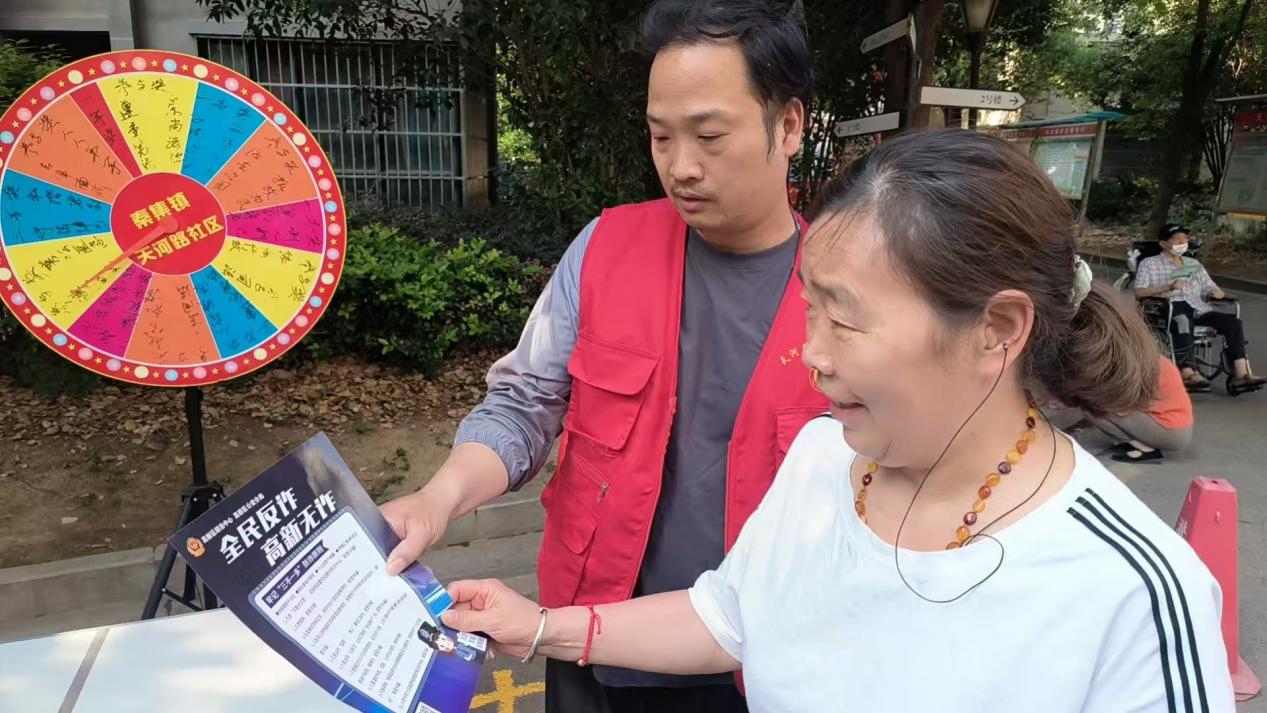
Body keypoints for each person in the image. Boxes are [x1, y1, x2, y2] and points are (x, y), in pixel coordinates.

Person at [433, 130, 1235, 712]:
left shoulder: (1131, 591)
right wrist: (537, 625)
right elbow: (728, 615)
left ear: (996, 329)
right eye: (807, 308)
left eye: (843, 320)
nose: (811, 354)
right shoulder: (823, 456)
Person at [380, 1, 826, 710]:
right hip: (585, 640)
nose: (681, 167)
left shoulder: (844, 286)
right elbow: (524, 404)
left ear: (790, 124)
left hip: (767, 662)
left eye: (710, 135)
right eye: (660, 136)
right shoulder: (605, 248)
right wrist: (439, 498)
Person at [1134, 223, 1265, 392]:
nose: (1182, 242)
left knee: (1233, 323)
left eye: (1184, 239)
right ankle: (1188, 372)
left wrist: (1216, 292)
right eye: (1177, 239)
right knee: (1182, 318)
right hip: (1168, 308)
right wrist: (1168, 287)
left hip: (1198, 309)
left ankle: (1242, 373)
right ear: (1163, 244)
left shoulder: (1193, 264)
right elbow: (1139, 292)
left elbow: (1210, 287)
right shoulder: (1149, 263)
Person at [1050, 354, 1194, 464]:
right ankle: (1139, 443)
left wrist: (1072, 401)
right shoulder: (1152, 359)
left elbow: (1121, 408)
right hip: (1176, 428)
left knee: (1090, 408)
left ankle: (1146, 449)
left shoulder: (1138, 367)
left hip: (1171, 432)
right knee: (1096, 405)